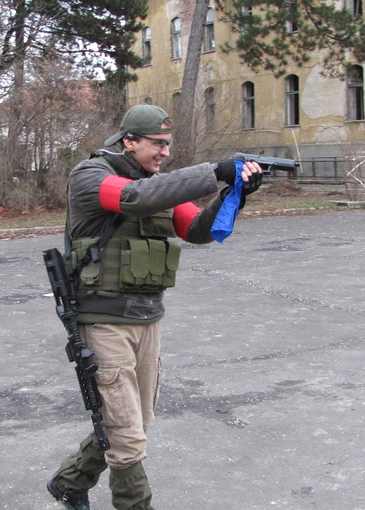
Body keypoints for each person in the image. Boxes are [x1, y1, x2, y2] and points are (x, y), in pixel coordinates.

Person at [47, 104, 262, 510]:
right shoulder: (90, 175)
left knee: (136, 421)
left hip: (147, 318)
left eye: (168, 145)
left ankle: (69, 481)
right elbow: (133, 198)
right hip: (104, 321)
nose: (165, 153)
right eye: (158, 144)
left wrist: (234, 194)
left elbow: (197, 230)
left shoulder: (156, 185)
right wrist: (215, 170)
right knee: (126, 433)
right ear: (130, 141)